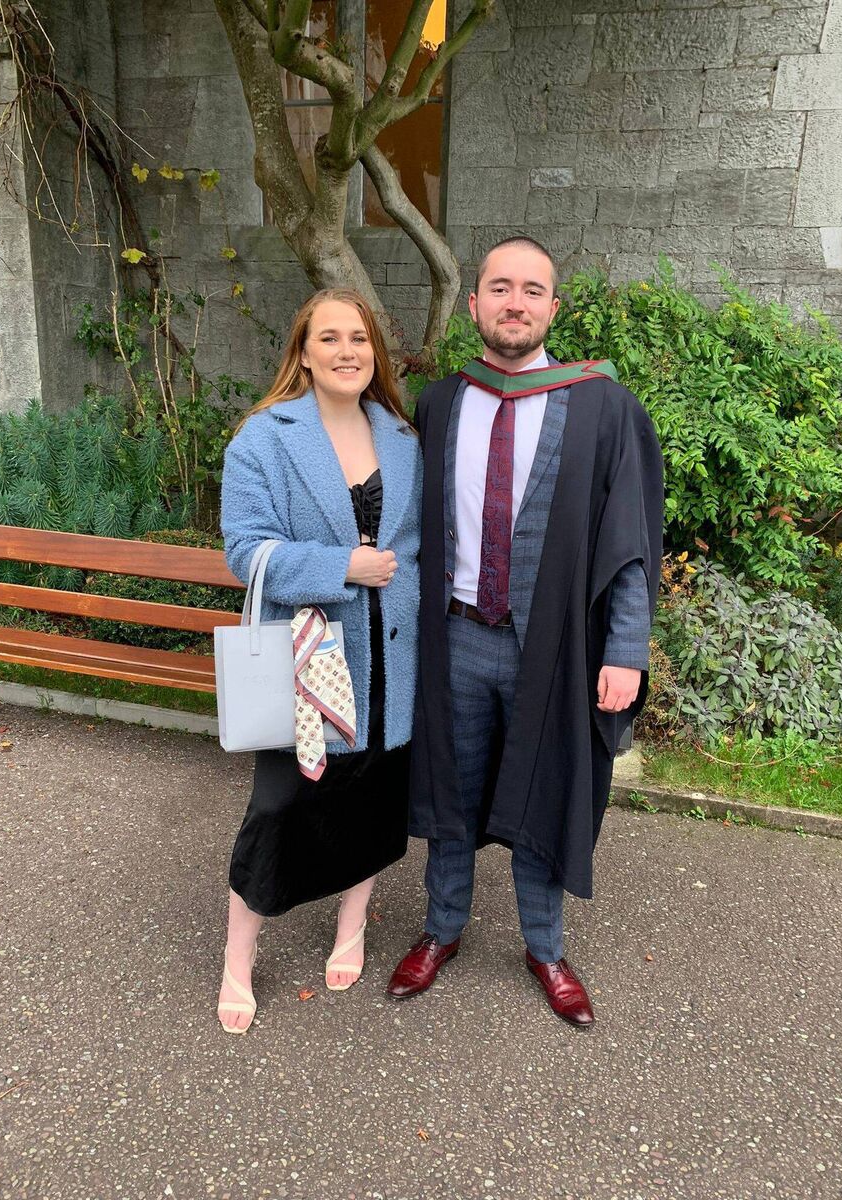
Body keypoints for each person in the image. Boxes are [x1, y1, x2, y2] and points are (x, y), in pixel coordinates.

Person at [387, 237, 663, 1027]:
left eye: (532, 290)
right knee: (449, 791)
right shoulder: (441, 403)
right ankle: (442, 928)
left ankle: (545, 948)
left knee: (548, 790)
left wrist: (625, 651)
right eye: (501, 288)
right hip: (455, 640)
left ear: (553, 308)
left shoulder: (603, 409)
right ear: (474, 304)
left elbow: (630, 543)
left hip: (554, 649)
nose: (516, 302)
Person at [217, 288, 421, 1033]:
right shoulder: (265, 437)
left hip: (391, 660)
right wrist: (342, 567)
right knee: (278, 810)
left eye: (359, 338)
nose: (346, 351)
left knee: (371, 803)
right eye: (329, 337)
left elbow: (416, 549)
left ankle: (352, 925)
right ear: (302, 352)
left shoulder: (402, 437)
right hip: (307, 666)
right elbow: (245, 551)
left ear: (375, 352)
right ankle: (238, 959)